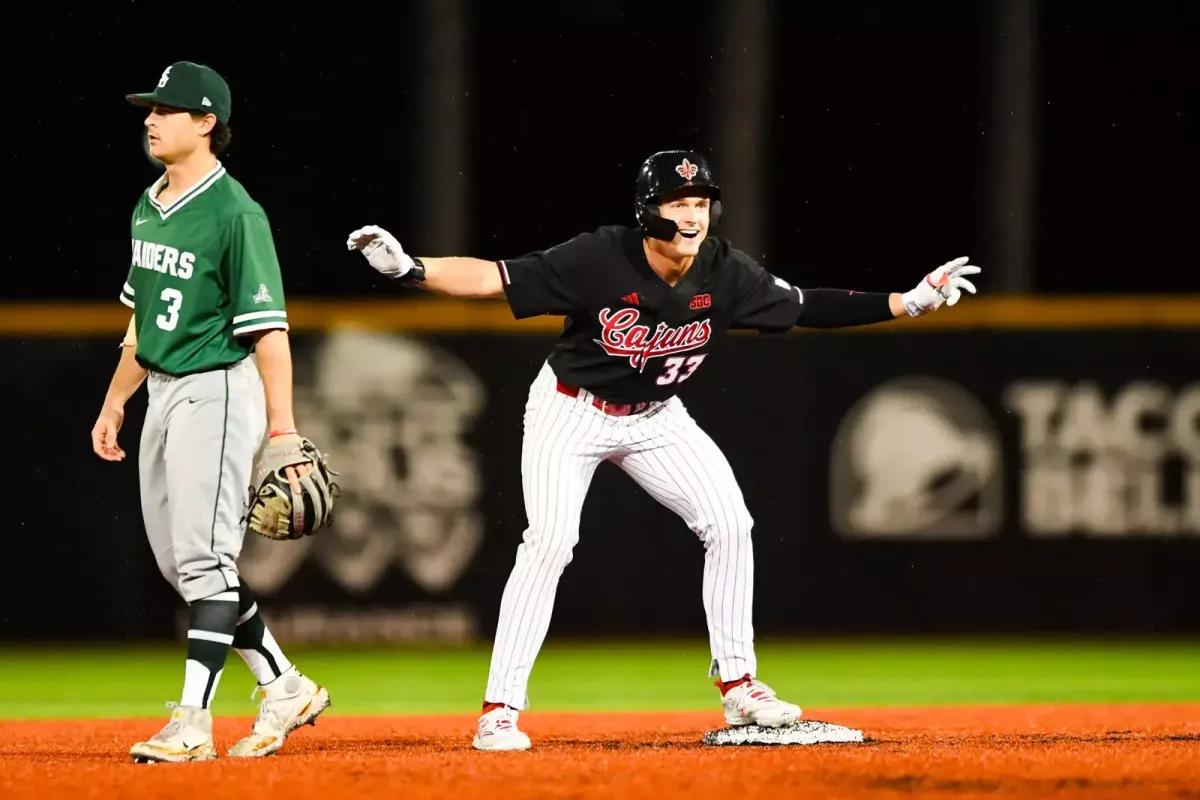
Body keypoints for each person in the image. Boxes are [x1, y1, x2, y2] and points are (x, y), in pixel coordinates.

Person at [346, 150, 980, 751]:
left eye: (702, 200)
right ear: (647, 210)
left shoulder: (724, 270)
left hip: (655, 417)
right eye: (677, 200)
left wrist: (910, 300)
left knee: (731, 523)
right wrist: (412, 269)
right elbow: (494, 277)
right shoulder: (599, 257)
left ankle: (739, 689)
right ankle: (499, 711)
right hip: (571, 410)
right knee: (550, 543)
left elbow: (804, 306)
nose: (692, 213)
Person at [92, 61, 330, 763]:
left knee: (203, 559)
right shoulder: (148, 203)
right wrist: (114, 401)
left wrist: (281, 426)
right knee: (183, 565)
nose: (149, 118)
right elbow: (141, 325)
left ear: (206, 123)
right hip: (162, 390)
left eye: (166, 109)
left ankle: (192, 721)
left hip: (218, 387)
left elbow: (269, 331)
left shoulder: (236, 213)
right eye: (149, 108)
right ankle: (284, 684)